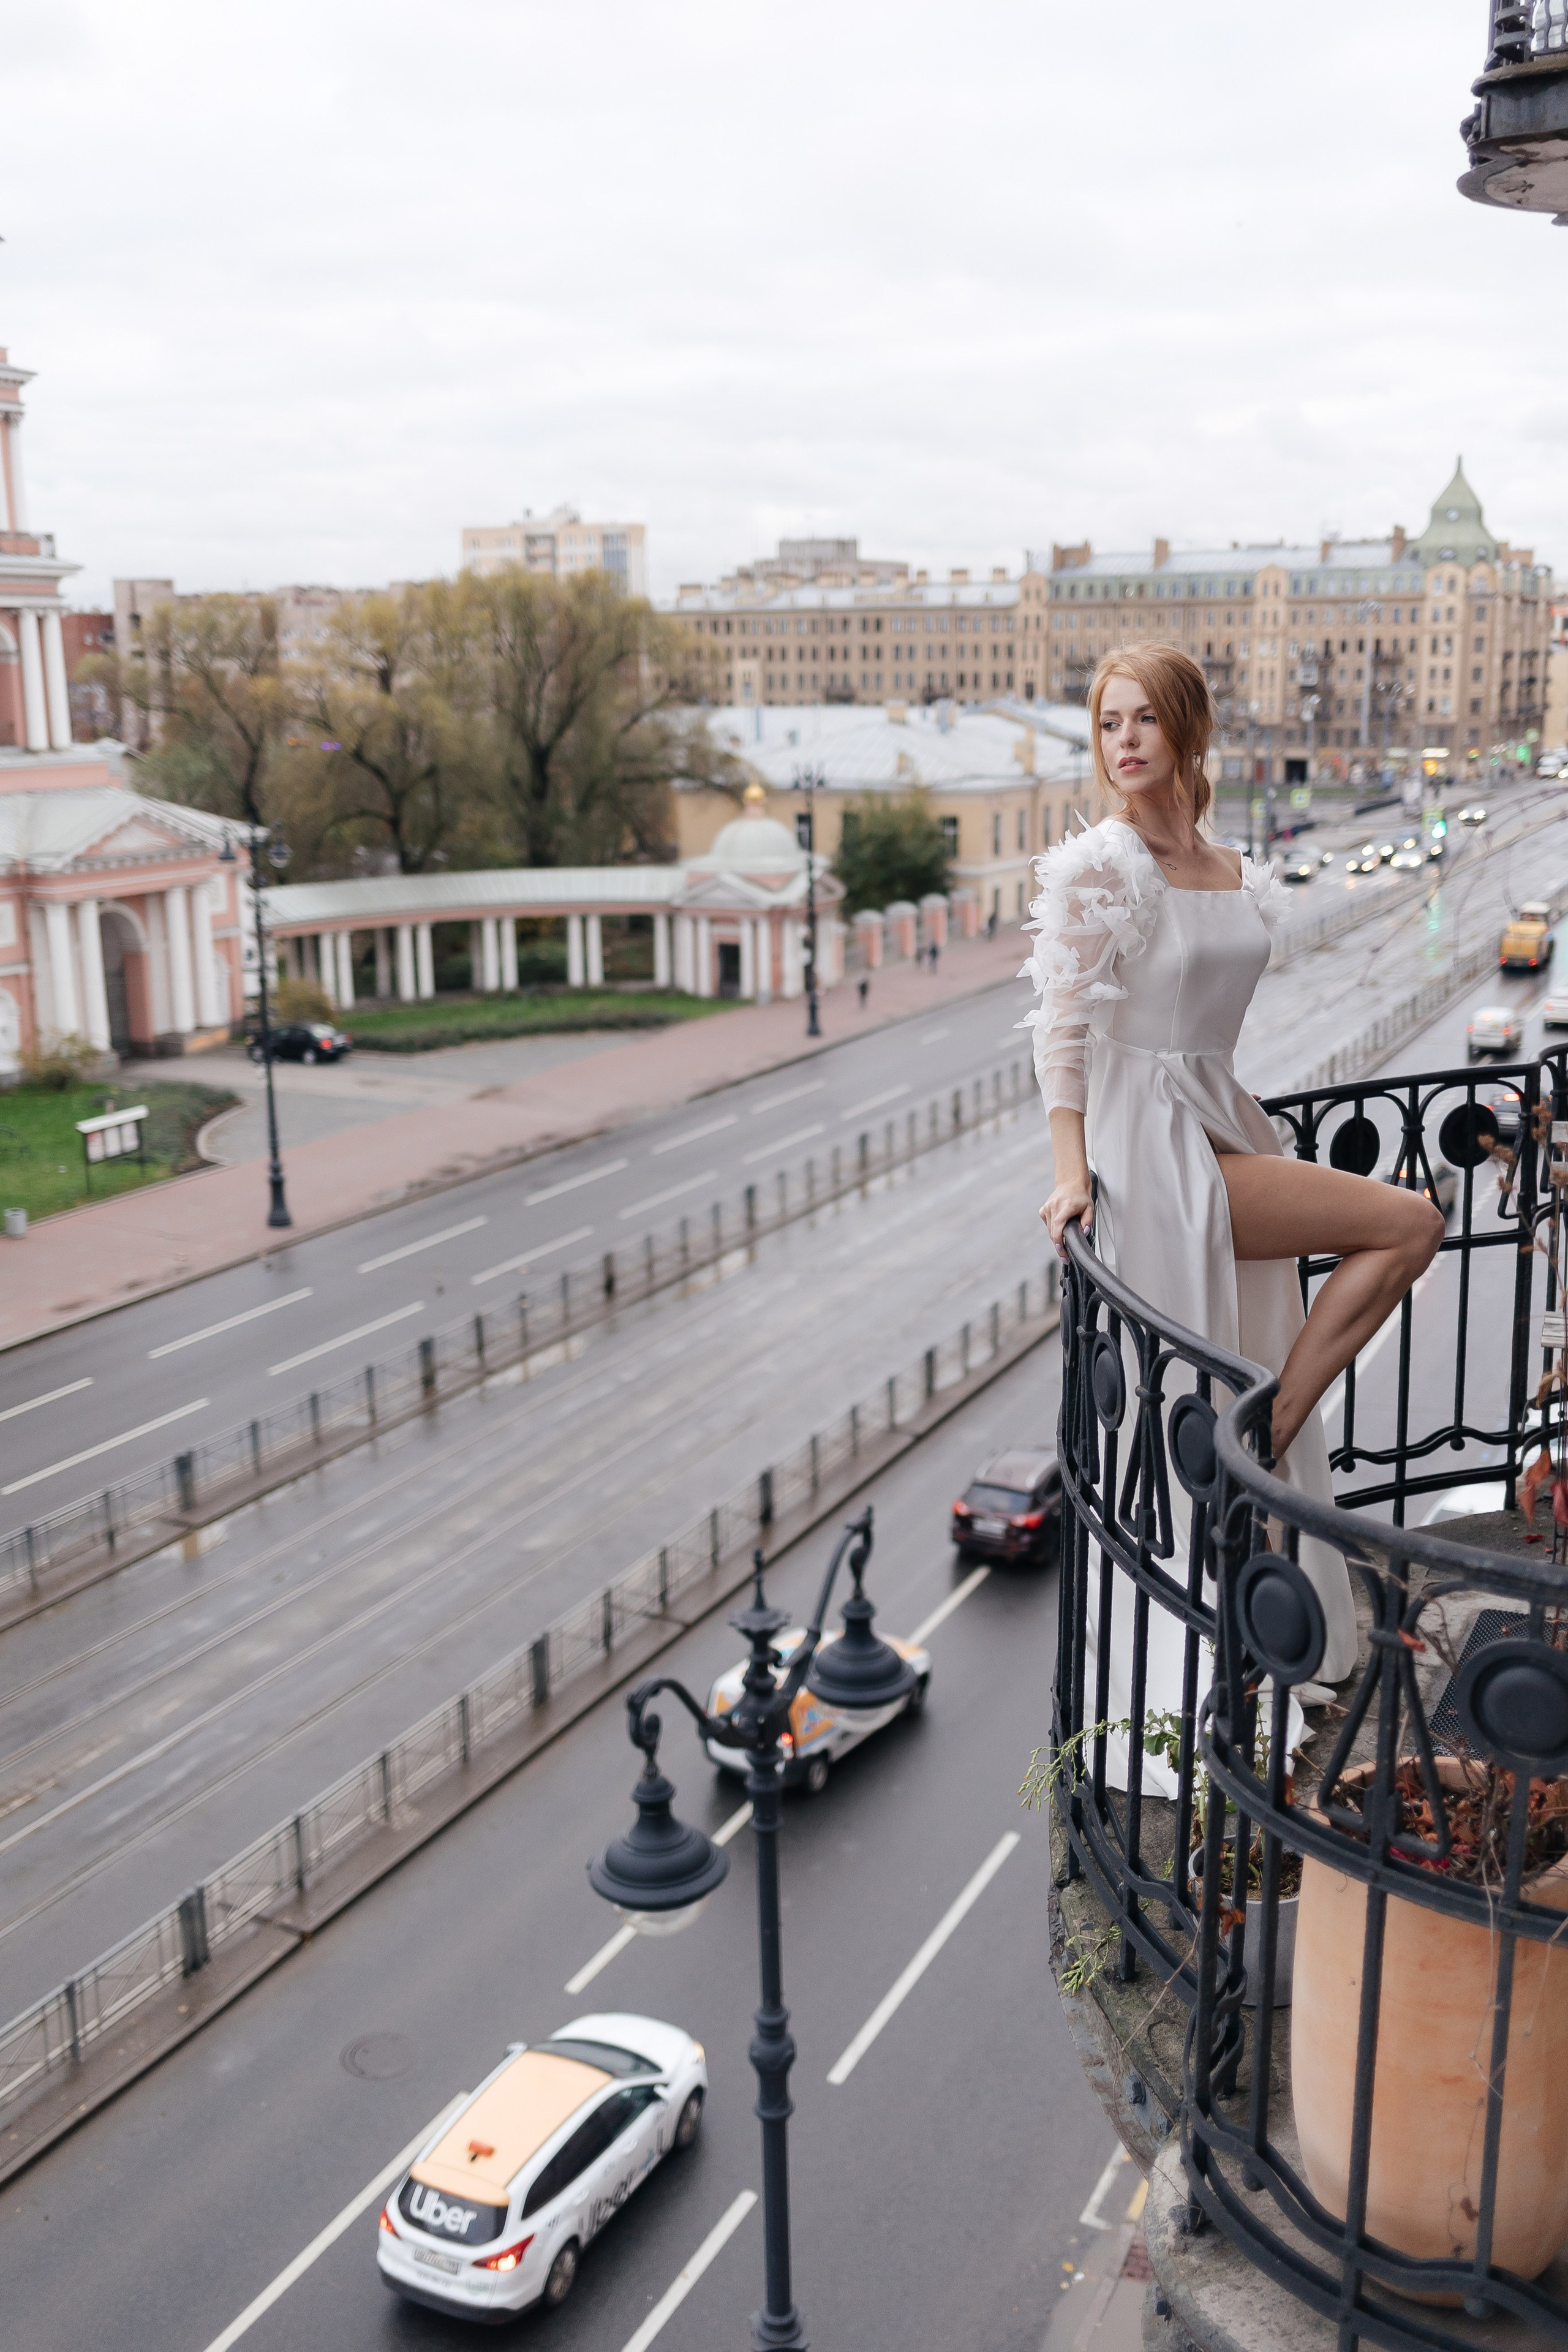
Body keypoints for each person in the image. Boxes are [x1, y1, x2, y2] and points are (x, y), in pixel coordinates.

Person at [1023, 645, 1442, 1783]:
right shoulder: (1101, 868)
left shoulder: (1224, 864)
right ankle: (1260, 1444)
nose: (1123, 743)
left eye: (1145, 720)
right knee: (1406, 1222)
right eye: (1108, 722)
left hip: (1214, 1118)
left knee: (1403, 1229)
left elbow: (1208, 1015)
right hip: (1147, 1148)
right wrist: (1073, 1173)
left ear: (1187, 731)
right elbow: (1061, 1036)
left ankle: (1262, 1429)